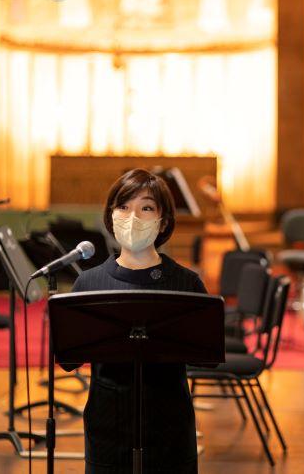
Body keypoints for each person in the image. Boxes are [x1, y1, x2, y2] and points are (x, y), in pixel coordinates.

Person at [67, 168, 205, 473]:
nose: (132, 218)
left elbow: (206, 356)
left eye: (145, 208)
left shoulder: (187, 284)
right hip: (107, 424)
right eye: (123, 207)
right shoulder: (88, 284)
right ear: (111, 215)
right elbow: (68, 358)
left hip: (170, 425)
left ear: (163, 219)